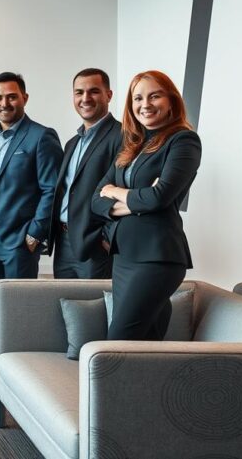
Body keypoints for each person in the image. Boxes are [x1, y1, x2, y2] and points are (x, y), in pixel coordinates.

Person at [0, 72, 62, 398]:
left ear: (24, 97)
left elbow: (52, 189)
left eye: (11, 96)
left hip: (19, 240)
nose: (4, 103)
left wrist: (35, 233)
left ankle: (22, 381)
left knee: (18, 313)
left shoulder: (41, 137)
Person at [92, 70, 201, 341]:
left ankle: (106, 385)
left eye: (155, 96)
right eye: (138, 98)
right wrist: (136, 200)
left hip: (157, 258)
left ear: (171, 100)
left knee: (118, 341)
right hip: (124, 256)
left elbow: (159, 197)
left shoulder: (183, 141)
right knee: (146, 344)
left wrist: (116, 191)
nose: (146, 104)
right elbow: (96, 200)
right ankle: (152, 385)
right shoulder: (132, 146)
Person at [48, 68, 122, 280]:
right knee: (65, 305)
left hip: (95, 244)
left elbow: (124, 188)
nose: (85, 98)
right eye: (79, 92)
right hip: (63, 241)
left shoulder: (121, 136)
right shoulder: (73, 142)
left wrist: (107, 236)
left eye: (94, 92)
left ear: (109, 95)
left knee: (94, 308)